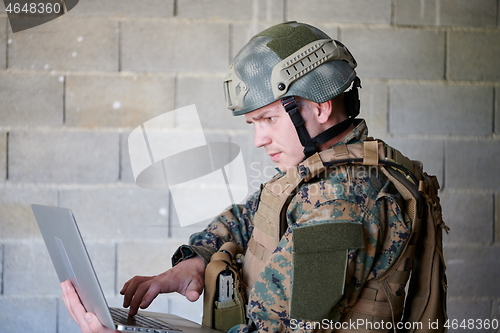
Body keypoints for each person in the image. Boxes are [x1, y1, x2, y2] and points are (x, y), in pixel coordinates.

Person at [62, 21, 445, 333]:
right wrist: (192, 263)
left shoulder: (346, 203)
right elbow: (251, 217)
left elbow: (272, 328)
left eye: (268, 119)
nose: (259, 139)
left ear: (320, 107)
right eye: (253, 123)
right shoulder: (316, 177)